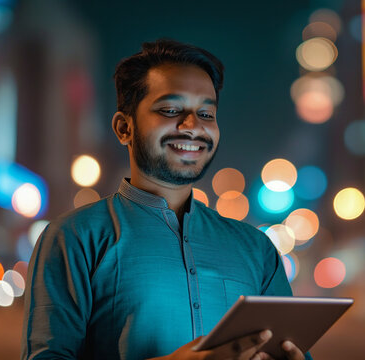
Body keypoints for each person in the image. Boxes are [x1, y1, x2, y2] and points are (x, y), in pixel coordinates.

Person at [21, 39, 311, 360]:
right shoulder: (74, 238)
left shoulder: (256, 249)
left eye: (206, 113)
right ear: (123, 128)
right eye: (171, 110)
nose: (193, 127)